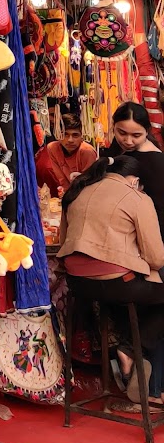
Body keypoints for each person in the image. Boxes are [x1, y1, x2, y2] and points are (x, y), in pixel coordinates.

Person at [60, 152, 164, 400]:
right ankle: (130, 350)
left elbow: (64, 240)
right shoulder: (136, 197)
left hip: (77, 284)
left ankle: (124, 351)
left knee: (132, 297)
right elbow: (156, 258)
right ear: (134, 180)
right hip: (117, 284)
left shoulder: (77, 191)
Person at [34, 112, 97, 198]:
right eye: (65, 134)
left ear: (82, 137)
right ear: (58, 134)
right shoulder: (52, 148)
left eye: (75, 135)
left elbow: (90, 182)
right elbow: (62, 179)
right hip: (68, 193)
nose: (70, 140)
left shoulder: (87, 151)